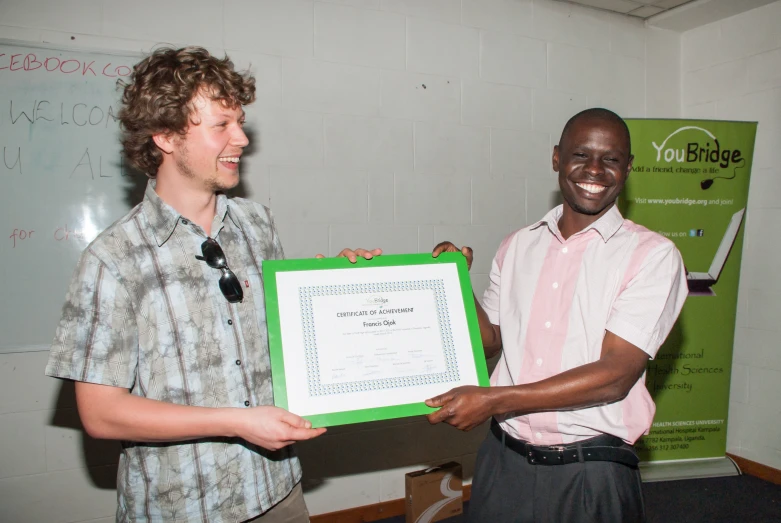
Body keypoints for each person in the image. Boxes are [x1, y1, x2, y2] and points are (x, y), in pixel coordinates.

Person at [45, 47, 380, 523]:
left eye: (239, 122)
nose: (241, 138)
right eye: (221, 125)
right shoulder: (112, 258)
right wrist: (237, 423)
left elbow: (288, 343)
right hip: (181, 508)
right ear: (164, 135)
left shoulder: (257, 225)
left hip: (278, 492)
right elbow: (101, 414)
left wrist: (346, 288)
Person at [427, 108, 688, 522]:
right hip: (503, 459)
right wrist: (455, 282)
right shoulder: (517, 246)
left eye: (612, 159)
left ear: (629, 168)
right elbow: (491, 338)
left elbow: (616, 374)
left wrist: (495, 399)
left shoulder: (652, 256)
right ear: (556, 158)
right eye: (581, 155)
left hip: (591, 471)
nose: (595, 170)